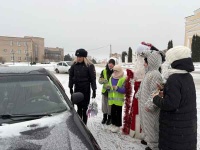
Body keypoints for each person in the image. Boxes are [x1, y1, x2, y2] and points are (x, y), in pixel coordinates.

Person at [152, 46, 197, 150]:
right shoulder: (187, 76)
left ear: (175, 61)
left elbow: (171, 104)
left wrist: (156, 98)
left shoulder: (174, 78)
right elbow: (181, 97)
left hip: (174, 129)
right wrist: (165, 90)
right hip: (185, 128)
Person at [136, 50, 162, 150]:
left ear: (151, 62)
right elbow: (143, 87)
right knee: (145, 123)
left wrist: (150, 104)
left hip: (149, 106)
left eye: (145, 62)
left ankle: (153, 145)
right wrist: (138, 93)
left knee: (151, 125)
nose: (144, 64)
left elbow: (156, 92)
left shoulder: (155, 74)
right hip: (143, 104)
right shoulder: (148, 73)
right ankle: (147, 138)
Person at [68, 48, 97, 125]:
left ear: (84, 57)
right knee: (79, 108)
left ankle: (84, 124)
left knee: (85, 109)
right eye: (77, 57)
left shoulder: (89, 66)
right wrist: (70, 87)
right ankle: (79, 125)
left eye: (80, 57)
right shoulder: (74, 65)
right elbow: (70, 77)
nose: (78, 58)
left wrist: (94, 90)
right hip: (77, 89)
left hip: (86, 90)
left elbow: (93, 79)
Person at [107, 65, 126, 133]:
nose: (114, 72)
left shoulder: (123, 79)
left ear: (119, 71)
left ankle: (118, 125)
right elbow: (109, 86)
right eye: (114, 70)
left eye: (116, 71)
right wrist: (108, 88)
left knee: (118, 113)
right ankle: (113, 124)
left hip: (118, 100)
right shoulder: (111, 77)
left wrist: (118, 88)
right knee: (112, 112)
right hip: (112, 99)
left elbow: (125, 90)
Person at [99, 58, 115, 125]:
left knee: (110, 106)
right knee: (104, 106)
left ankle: (109, 118)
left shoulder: (115, 72)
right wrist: (106, 81)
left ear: (114, 65)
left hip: (112, 92)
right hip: (105, 91)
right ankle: (104, 117)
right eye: (109, 63)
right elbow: (100, 80)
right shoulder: (104, 71)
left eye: (112, 63)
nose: (110, 65)